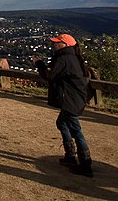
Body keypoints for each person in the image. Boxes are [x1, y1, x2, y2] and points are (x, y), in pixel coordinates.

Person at [33, 33, 93, 177]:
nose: (54, 45)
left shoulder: (65, 59)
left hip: (72, 100)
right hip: (75, 98)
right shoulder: (73, 57)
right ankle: (71, 155)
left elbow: (50, 75)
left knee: (75, 130)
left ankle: (85, 164)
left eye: (57, 43)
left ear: (65, 45)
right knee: (62, 123)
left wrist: (39, 64)